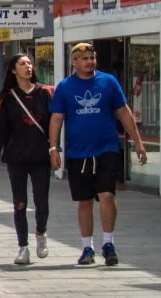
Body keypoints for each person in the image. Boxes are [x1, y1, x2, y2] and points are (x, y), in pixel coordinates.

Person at [48, 43, 147, 267]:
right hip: (78, 152)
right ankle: (87, 247)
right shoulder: (65, 87)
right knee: (84, 200)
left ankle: (108, 243)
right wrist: (54, 148)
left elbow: (124, 112)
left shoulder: (108, 82)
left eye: (92, 57)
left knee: (107, 195)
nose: (90, 61)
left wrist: (138, 142)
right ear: (74, 62)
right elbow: (56, 118)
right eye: (84, 58)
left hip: (107, 148)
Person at [0, 54, 55, 266]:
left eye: (29, 63)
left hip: (40, 156)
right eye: (22, 64)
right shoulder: (7, 99)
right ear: (14, 70)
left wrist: (55, 148)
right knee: (20, 203)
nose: (28, 67)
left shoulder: (45, 93)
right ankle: (23, 247)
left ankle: (41, 233)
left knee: (41, 202)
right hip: (16, 157)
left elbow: (55, 123)